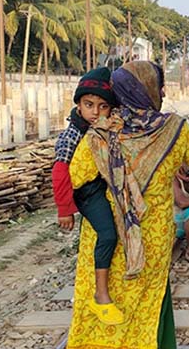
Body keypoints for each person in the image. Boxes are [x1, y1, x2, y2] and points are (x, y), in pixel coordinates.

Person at [66, 61, 189, 349]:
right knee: (145, 303)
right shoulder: (175, 130)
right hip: (151, 236)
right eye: (158, 87)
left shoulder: (103, 128)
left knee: (102, 303)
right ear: (149, 91)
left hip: (105, 234)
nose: (161, 93)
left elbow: (75, 177)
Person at [52, 67, 119, 324]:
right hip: (87, 193)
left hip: (99, 187)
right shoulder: (73, 134)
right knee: (108, 234)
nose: (95, 112)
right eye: (89, 104)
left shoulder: (104, 128)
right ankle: (101, 294)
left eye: (103, 106)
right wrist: (65, 209)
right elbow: (60, 173)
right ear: (78, 105)